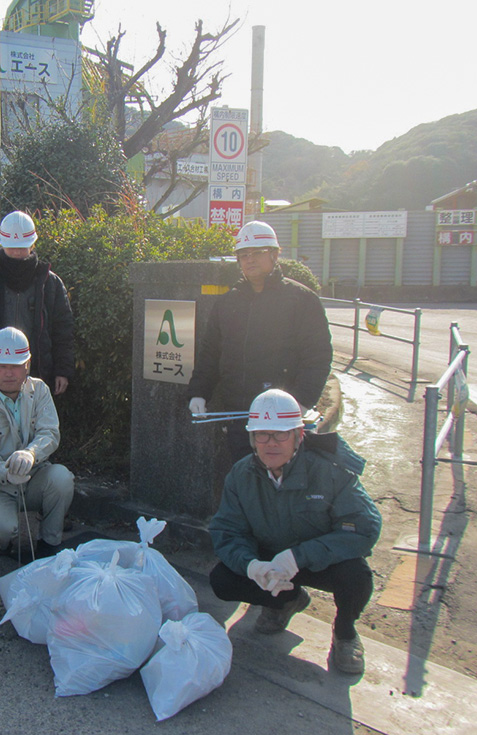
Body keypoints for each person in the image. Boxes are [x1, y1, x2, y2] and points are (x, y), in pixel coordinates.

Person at [208, 389, 381, 675]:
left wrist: (298, 557)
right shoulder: (241, 475)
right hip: (271, 562)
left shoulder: (330, 471)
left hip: (316, 560)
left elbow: (365, 527)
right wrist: (252, 565)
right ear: (252, 439)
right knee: (223, 580)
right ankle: (287, 601)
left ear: (300, 436)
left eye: (281, 434)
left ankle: (345, 633)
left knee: (357, 578)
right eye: (262, 434)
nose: (271, 443)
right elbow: (227, 530)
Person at [187, 220, 332, 462]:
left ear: (275, 255)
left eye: (257, 253)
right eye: (243, 255)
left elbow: (317, 356)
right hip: (240, 415)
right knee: (246, 481)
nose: (250, 259)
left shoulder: (302, 300)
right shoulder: (227, 303)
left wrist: (302, 402)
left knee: (283, 486)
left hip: (283, 419)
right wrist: (199, 392)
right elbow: (210, 353)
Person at [0, 326, 74, 560]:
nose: (9, 373)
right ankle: (2, 542)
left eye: (15, 366)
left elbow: (50, 433)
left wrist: (31, 454)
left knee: (62, 479)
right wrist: (6, 472)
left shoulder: (40, 390)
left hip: (35, 478)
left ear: (27, 365)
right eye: (2, 366)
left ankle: (49, 542)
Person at [0, 210, 74, 397]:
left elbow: (63, 331)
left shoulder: (50, 283)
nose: (17, 252)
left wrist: (63, 371)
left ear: (33, 244)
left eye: (22, 247)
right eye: (12, 247)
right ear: (2, 244)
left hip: (38, 377)